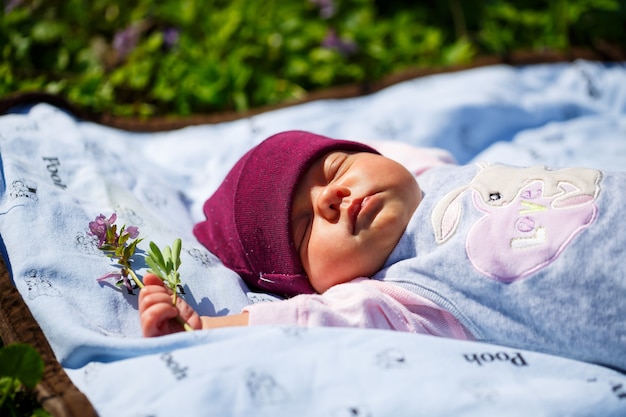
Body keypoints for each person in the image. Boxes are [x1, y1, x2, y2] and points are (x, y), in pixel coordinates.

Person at [139, 130, 626, 372]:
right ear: (317, 284)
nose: (330, 197)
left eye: (333, 169)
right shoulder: (404, 294)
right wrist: (201, 328)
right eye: (305, 229)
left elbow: (384, 158)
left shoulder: (426, 173)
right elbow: (310, 322)